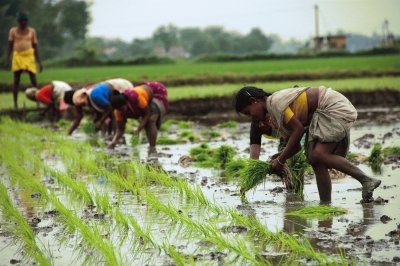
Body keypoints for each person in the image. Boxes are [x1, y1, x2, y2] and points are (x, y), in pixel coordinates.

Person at [234, 85, 381, 203]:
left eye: (248, 112)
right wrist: (279, 157)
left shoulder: (275, 103)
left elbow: (298, 130)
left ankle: (366, 180)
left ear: (254, 101)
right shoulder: (271, 114)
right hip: (321, 115)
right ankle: (325, 204)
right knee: (314, 159)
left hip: (331, 107)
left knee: (319, 154)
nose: (251, 117)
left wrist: (280, 160)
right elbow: (296, 145)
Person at [108, 82, 168, 155]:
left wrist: (138, 129)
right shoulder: (118, 112)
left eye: (122, 108)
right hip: (145, 98)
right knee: (145, 122)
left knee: (151, 120)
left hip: (155, 91)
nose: (121, 111)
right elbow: (120, 129)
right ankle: (152, 147)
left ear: (126, 103)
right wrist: (113, 142)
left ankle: (152, 148)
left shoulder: (136, 97)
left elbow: (147, 113)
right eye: (119, 109)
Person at [63, 78, 133, 135]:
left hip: (121, 86)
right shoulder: (79, 99)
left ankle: (117, 136)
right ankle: (111, 136)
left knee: (118, 114)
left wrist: (100, 122)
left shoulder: (93, 95)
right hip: (108, 94)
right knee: (108, 117)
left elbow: (109, 108)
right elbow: (98, 111)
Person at [5, 12, 43, 109]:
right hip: (18, 56)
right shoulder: (13, 31)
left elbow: (35, 46)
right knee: (16, 80)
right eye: (22, 21)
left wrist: (39, 62)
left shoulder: (32, 31)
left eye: (25, 21)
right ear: (18, 21)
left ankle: (38, 102)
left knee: (33, 80)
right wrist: (7, 58)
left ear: (27, 21)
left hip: (29, 56)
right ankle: (15, 103)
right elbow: (10, 45)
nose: (23, 23)